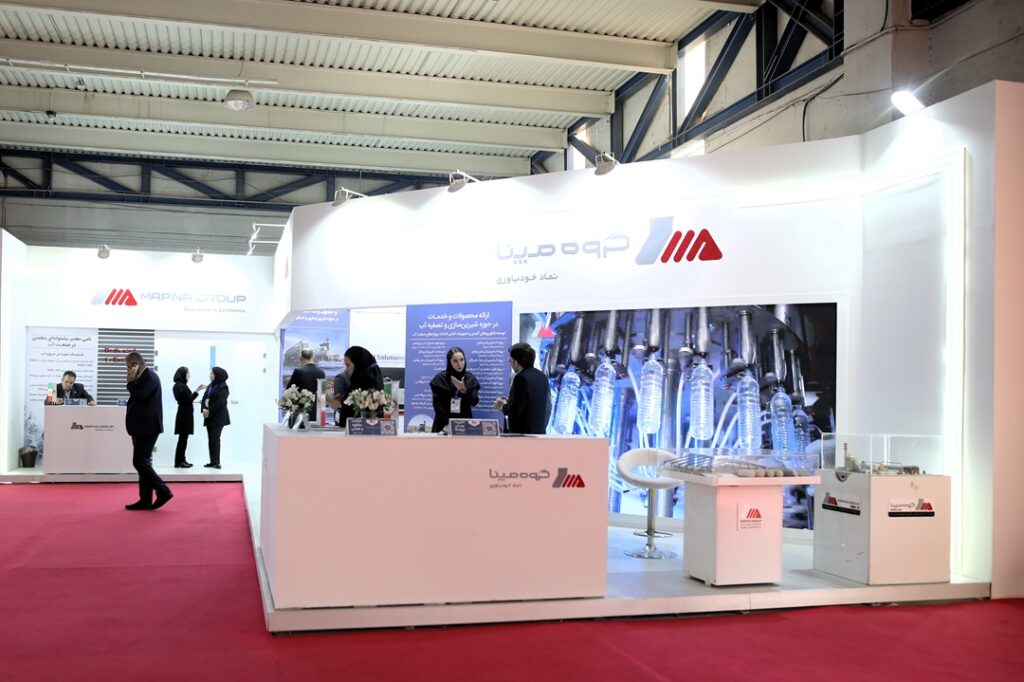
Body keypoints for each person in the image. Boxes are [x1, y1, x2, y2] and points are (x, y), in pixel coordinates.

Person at [124, 352, 172, 510]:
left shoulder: (149, 377)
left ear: (135, 365)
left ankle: (163, 491)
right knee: (143, 462)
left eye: (128, 366)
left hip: (147, 427)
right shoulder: (144, 377)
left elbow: (140, 396)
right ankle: (145, 499)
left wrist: (131, 382)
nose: (127, 370)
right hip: (141, 427)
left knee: (140, 461)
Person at [494, 342, 551, 435]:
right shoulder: (542, 376)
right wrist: (509, 402)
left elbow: (516, 410)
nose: (509, 361)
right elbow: (530, 403)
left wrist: (502, 406)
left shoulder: (521, 378)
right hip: (538, 433)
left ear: (516, 362)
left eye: (511, 360)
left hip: (523, 435)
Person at [429, 346, 480, 433]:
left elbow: (474, 402)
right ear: (449, 362)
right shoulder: (440, 379)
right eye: (455, 361)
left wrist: (464, 390)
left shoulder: (470, 379)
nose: (459, 364)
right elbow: (437, 406)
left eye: (462, 360)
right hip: (443, 423)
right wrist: (450, 423)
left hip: (465, 422)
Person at [338, 346, 385, 426]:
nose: (346, 369)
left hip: (360, 430)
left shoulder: (365, 384)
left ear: (358, 364)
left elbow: (351, 412)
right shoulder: (366, 379)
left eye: (348, 365)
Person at [172, 367, 205, 469]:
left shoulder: (180, 386)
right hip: (184, 415)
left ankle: (181, 459)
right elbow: (189, 399)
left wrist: (197, 391)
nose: (189, 375)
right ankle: (179, 461)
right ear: (183, 374)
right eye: (188, 373)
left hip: (184, 413)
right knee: (183, 439)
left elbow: (187, 399)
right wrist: (197, 391)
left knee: (183, 438)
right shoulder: (180, 386)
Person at [201, 367, 230, 469]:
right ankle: (212, 461)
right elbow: (204, 398)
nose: (210, 375)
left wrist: (209, 410)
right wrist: (203, 409)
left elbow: (221, 402)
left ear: (218, 375)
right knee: (211, 439)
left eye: (212, 374)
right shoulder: (210, 386)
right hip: (209, 416)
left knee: (215, 438)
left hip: (218, 417)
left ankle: (216, 462)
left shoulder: (223, 387)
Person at [287, 348, 325, 422]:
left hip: (301, 412)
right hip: (316, 413)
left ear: (300, 358)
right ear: (313, 357)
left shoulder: (298, 371)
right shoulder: (322, 373)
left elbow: (289, 390)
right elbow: (322, 394)